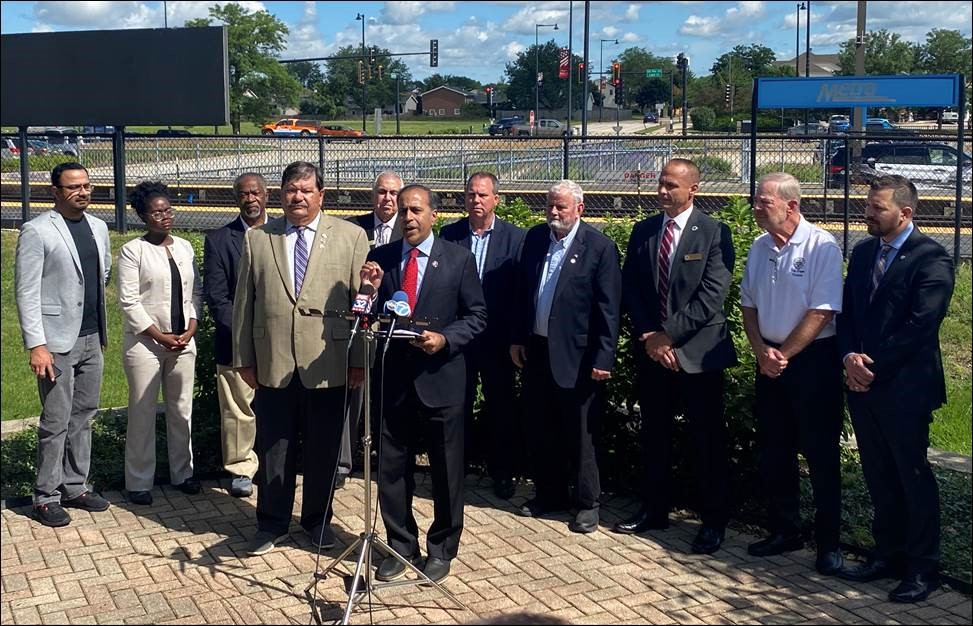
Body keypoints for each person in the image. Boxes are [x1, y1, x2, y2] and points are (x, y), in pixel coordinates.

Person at [233, 161, 370, 556]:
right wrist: (244, 357)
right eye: (291, 190)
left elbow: (360, 305)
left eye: (306, 190)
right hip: (273, 360)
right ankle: (271, 523)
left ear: (321, 196)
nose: (298, 197)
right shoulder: (260, 239)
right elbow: (245, 303)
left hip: (328, 364)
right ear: (281, 194)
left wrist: (360, 359)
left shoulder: (351, 237)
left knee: (324, 447)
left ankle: (317, 521)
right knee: (274, 447)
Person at [359, 184, 486, 584]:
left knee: (447, 470)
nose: (408, 218)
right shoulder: (380, 259)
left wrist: (446, 339)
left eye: (416, 210)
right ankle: (401, 544)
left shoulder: (458, 260)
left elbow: (478, 315)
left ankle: (443, 548)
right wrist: (367, 290)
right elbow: (365, 316)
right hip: (394, 381)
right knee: (392, 469)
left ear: (434, 215)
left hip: (442, 380)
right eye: (402, 211)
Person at [837, 175, 954, 603]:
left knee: (912, 477)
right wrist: (849, 357)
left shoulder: (932, 257)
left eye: (877, 208)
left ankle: (923, 569)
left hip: (904, 388)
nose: (868, 213)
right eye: (868, 205)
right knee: (878, 475)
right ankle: (887, 554)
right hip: (861, 383)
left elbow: (921, 325)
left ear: (905, 213)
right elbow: (847, 311)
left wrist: (873, 367)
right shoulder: (865, 252)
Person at [614, 159, 737, 554]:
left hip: (698, 356)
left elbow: (711, 298)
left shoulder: (715, 233)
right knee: (655, 436)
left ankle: (713, 521)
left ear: (692, 190)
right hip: (654, 353)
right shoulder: (644, 231)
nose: (663, 191)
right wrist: (650, 335)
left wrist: (668, 337)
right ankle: (654, 510)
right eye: (660, 184)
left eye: (671, 185)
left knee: (706, 442)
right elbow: (631, 287)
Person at [740, 172, 845, 575]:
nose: (756, 206)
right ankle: (786, 530)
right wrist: (761, 352)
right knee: (775, 450)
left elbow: (821, 311)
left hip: (811, 362)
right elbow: (749, 305)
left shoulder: (822, 246)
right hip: (768, 357)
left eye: (764, 201)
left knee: (820, 455)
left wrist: (783, 355)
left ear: (791, 205)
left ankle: (829, 543)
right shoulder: (759, 246)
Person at [510, 179, 622, 534]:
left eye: (561, 206)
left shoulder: (599, 248)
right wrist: (518, 337)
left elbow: (609, 309)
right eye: (550, 206)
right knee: (541, 427)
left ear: (579, 209)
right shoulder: (535, 239)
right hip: (538, 351)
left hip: (579, 356)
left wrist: (604, 358)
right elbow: (523, 292)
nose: (554, 213)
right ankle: (550, 494)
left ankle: (588, 503)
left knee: (581, 434)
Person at [15, 162, 112, 526]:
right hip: (55, 342)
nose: (82, 192)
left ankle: (75, 486)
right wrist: (36, 345)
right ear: (54, 191)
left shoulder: (99, 227)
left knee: (84, 416)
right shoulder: (37, 231)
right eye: (73, 187)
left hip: (91, 336)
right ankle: (45, 496)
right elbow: (26, 292)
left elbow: (102, 275)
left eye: (87, 185)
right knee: (55, 419)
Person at [440, 172, 526, 499]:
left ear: (496, 199)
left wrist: (517, 336)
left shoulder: (516, 239)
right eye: (471, 195)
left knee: (501, 409)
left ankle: (503, 473)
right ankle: (454, 473)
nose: (476, 200)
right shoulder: (449, 235)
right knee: (455, 407)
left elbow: (521, 294)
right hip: (459, 338)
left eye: (482, 195)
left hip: (498, 340)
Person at [117, 182, 202, 506]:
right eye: (156, 212)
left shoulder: (184, 247)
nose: (164, 217)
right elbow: (129, 302)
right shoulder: (132, 251)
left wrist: (191, 327)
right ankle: (139, 482)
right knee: (143, 411)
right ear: (142, 215)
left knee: (182, 410)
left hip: (183, 342)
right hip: (146, 345)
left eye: (168, 210)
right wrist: (159, 336)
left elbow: (195, 293)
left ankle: (184, 473)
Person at [203, 172, 268, 498]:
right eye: (244, 194)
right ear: (236, 198)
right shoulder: (218, 240)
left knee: (276, 408)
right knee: (237, 410)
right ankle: (241, 468)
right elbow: (218, 298)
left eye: (255, 193)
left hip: (280, 342)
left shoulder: (284, 234)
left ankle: (273, 465)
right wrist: (246, 336)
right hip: (235, 342)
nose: (250, 199)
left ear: (266, 195)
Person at [338, 171, 405, 489]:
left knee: (390, 393)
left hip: (395, 325)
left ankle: (385, 459)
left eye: (394, 193)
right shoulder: (352, 227)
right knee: (354, 390)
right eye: (382, 192)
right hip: (360, 324)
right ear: (372, 194)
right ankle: (342, 463)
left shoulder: (410, 229)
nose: (388, 198)